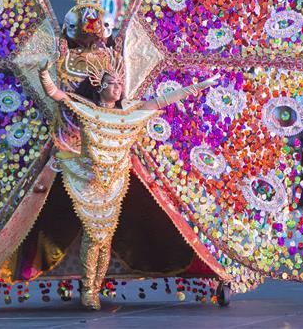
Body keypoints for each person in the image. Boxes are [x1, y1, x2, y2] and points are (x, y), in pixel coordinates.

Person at [39, 49, 217, 309]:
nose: (119, 88)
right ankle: (89, 289)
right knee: (93, 234)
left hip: (115, 182)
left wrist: (198, 86)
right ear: (100, 86)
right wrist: (43, 73)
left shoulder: (128, 112)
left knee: (105, 237)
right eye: (114, 83)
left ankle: (95, 287)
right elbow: (56, 94)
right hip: (88, 179)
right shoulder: (86, 108)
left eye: (121, 84)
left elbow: (162, 101)